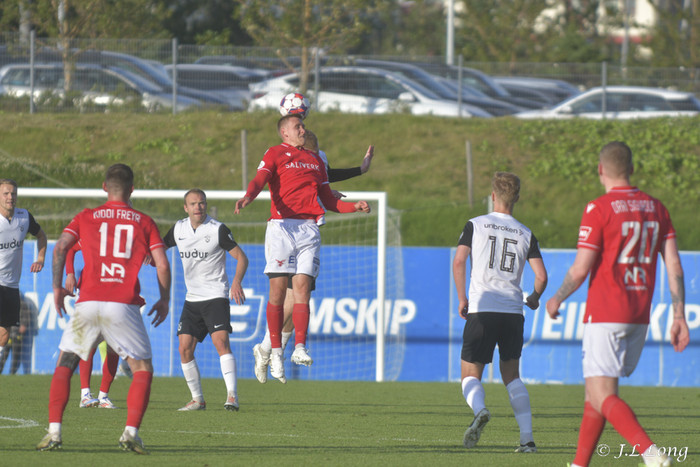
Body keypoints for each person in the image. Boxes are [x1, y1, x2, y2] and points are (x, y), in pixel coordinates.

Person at [545, 141, 690, 467]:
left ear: (600, 170)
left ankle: (651, 454)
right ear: (632, 169)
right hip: (638, 315)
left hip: (606, 312)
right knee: (594, 395)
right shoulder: (657, 208)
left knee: (602, 394)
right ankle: (579, 465)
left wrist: (556, 298)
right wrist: (679, 315)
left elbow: (580, 268)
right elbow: (674, 266)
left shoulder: (599, 209)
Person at [37, 163, 171, 455]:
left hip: (87, 302)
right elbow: (162, 263)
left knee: (66, 362)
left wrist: (57, 287)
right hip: (122, 304)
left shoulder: (86, 216)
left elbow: (60, 248)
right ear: (132, 189)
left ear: (104, 187)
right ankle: (130, 433)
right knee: (142, 368)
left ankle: (54, 432)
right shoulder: (143, 221)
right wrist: (165, 298)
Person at [235, 114, 371, 384]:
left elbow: (328, 199)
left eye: (303, 126)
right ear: (284, 132)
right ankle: (274, 352)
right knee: (277, 293)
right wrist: (249, 195)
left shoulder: (315, 160)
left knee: (302, 289)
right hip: (281, 228)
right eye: (298, 126)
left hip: (309, 229)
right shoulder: (275, 153)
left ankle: (299, 347)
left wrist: (353, 206)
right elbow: (260, 179)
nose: (303, 129)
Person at [452, 172, 547, 452]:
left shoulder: (475, 224)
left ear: (493, 195)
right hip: (513, 313)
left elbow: (459, 261)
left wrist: (462, 298)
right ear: (516, 198)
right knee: (512, 376)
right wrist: (534, 298)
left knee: (470, 374)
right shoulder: (525, 232)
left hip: (483, 308)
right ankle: (527, 440)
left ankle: (480, 410)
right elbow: (541, 276)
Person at [163, 188, 248, 411]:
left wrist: (236, 282)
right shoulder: (179, 229)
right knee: (184, 348)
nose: (198, 207)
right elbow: (160, 246)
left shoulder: (217, 229)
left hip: (215, 296)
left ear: (206, 205)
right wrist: (148, 254)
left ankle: (232, 396)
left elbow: (242, 258)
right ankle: (198, 399)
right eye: (193, 204)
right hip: (192, 299)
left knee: (221, 343)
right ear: (185, 208)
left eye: (201, 203)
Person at [65, 242, 121, 409]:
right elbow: (70, 248)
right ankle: (85, 394)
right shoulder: (92, 231)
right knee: (89, 343)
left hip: (114, 290)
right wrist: (70, 273)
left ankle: (104, 396)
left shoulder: (121, 234)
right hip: (89, 292)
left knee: (114, 345)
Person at [0, 179, 47, 361]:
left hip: (11, 285)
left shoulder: (24, 217)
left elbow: (41, 236)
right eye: (5, 193)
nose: (10, 197)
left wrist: (40, 258)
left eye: (13, 193)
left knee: (4, 335)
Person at [0, 294, 37, 374]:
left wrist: (23, 325)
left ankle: (12, 373)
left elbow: (26, 318)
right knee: (4, 355)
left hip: (17, 335)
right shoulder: (7, 306)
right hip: (8, 334)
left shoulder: (23, 305)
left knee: (15, 356)